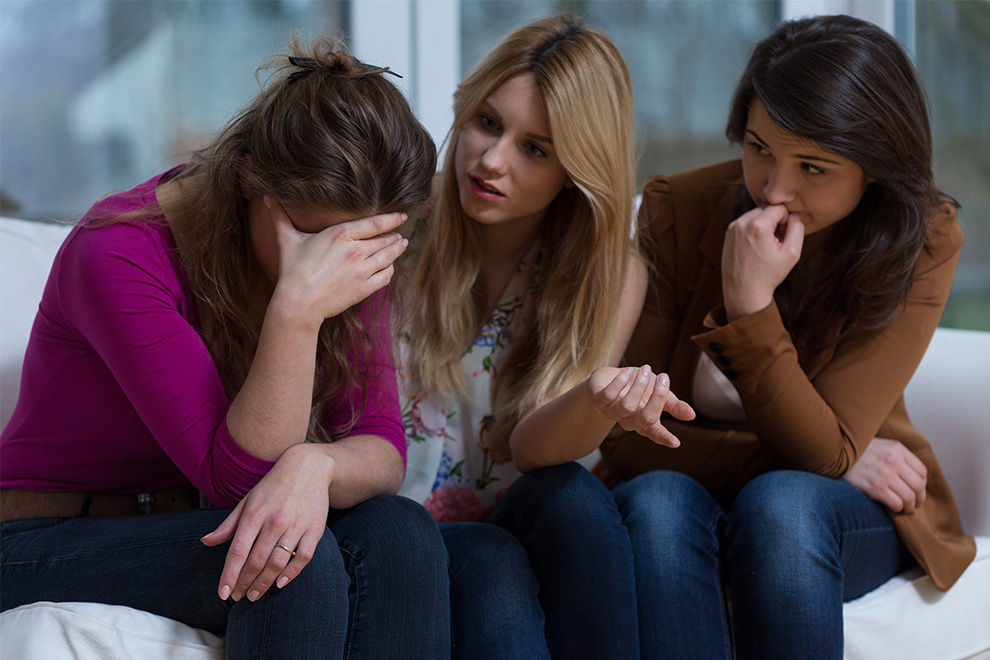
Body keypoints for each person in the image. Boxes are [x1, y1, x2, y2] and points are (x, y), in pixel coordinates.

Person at [0, 36, 450, 659]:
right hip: (43, 538)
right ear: (247, 178)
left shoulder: (341, 240)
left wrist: (317, 464)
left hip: (185, 523)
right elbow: (238, 483)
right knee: (292, 562)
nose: (339, 265)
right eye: (317, 238)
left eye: (362, 245)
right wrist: (296, 310)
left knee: (401, 531)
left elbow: (382, 445)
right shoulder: (117, 252)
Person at [596, 14, 976, 659]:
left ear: (877, 168)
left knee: (783, 504)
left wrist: (749, 303)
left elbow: (822, 461)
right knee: (656, 504)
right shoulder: (676, 211)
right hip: (689, 493)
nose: (774, 188)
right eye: (758, 148)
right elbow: (627, 441)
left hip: (834, 517)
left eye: (814, 167)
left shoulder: (924, 239)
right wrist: (835, 456)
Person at [395, 14, 694, 659]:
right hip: (390, 529)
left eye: (536, 149)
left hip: (516, 520)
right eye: (487, 121)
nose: (491, 160)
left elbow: (535, 452)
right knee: (489, 563)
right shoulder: (395, 230)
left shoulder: (606, 271)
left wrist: (596, 400)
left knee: (572, 499)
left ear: (575, 170)